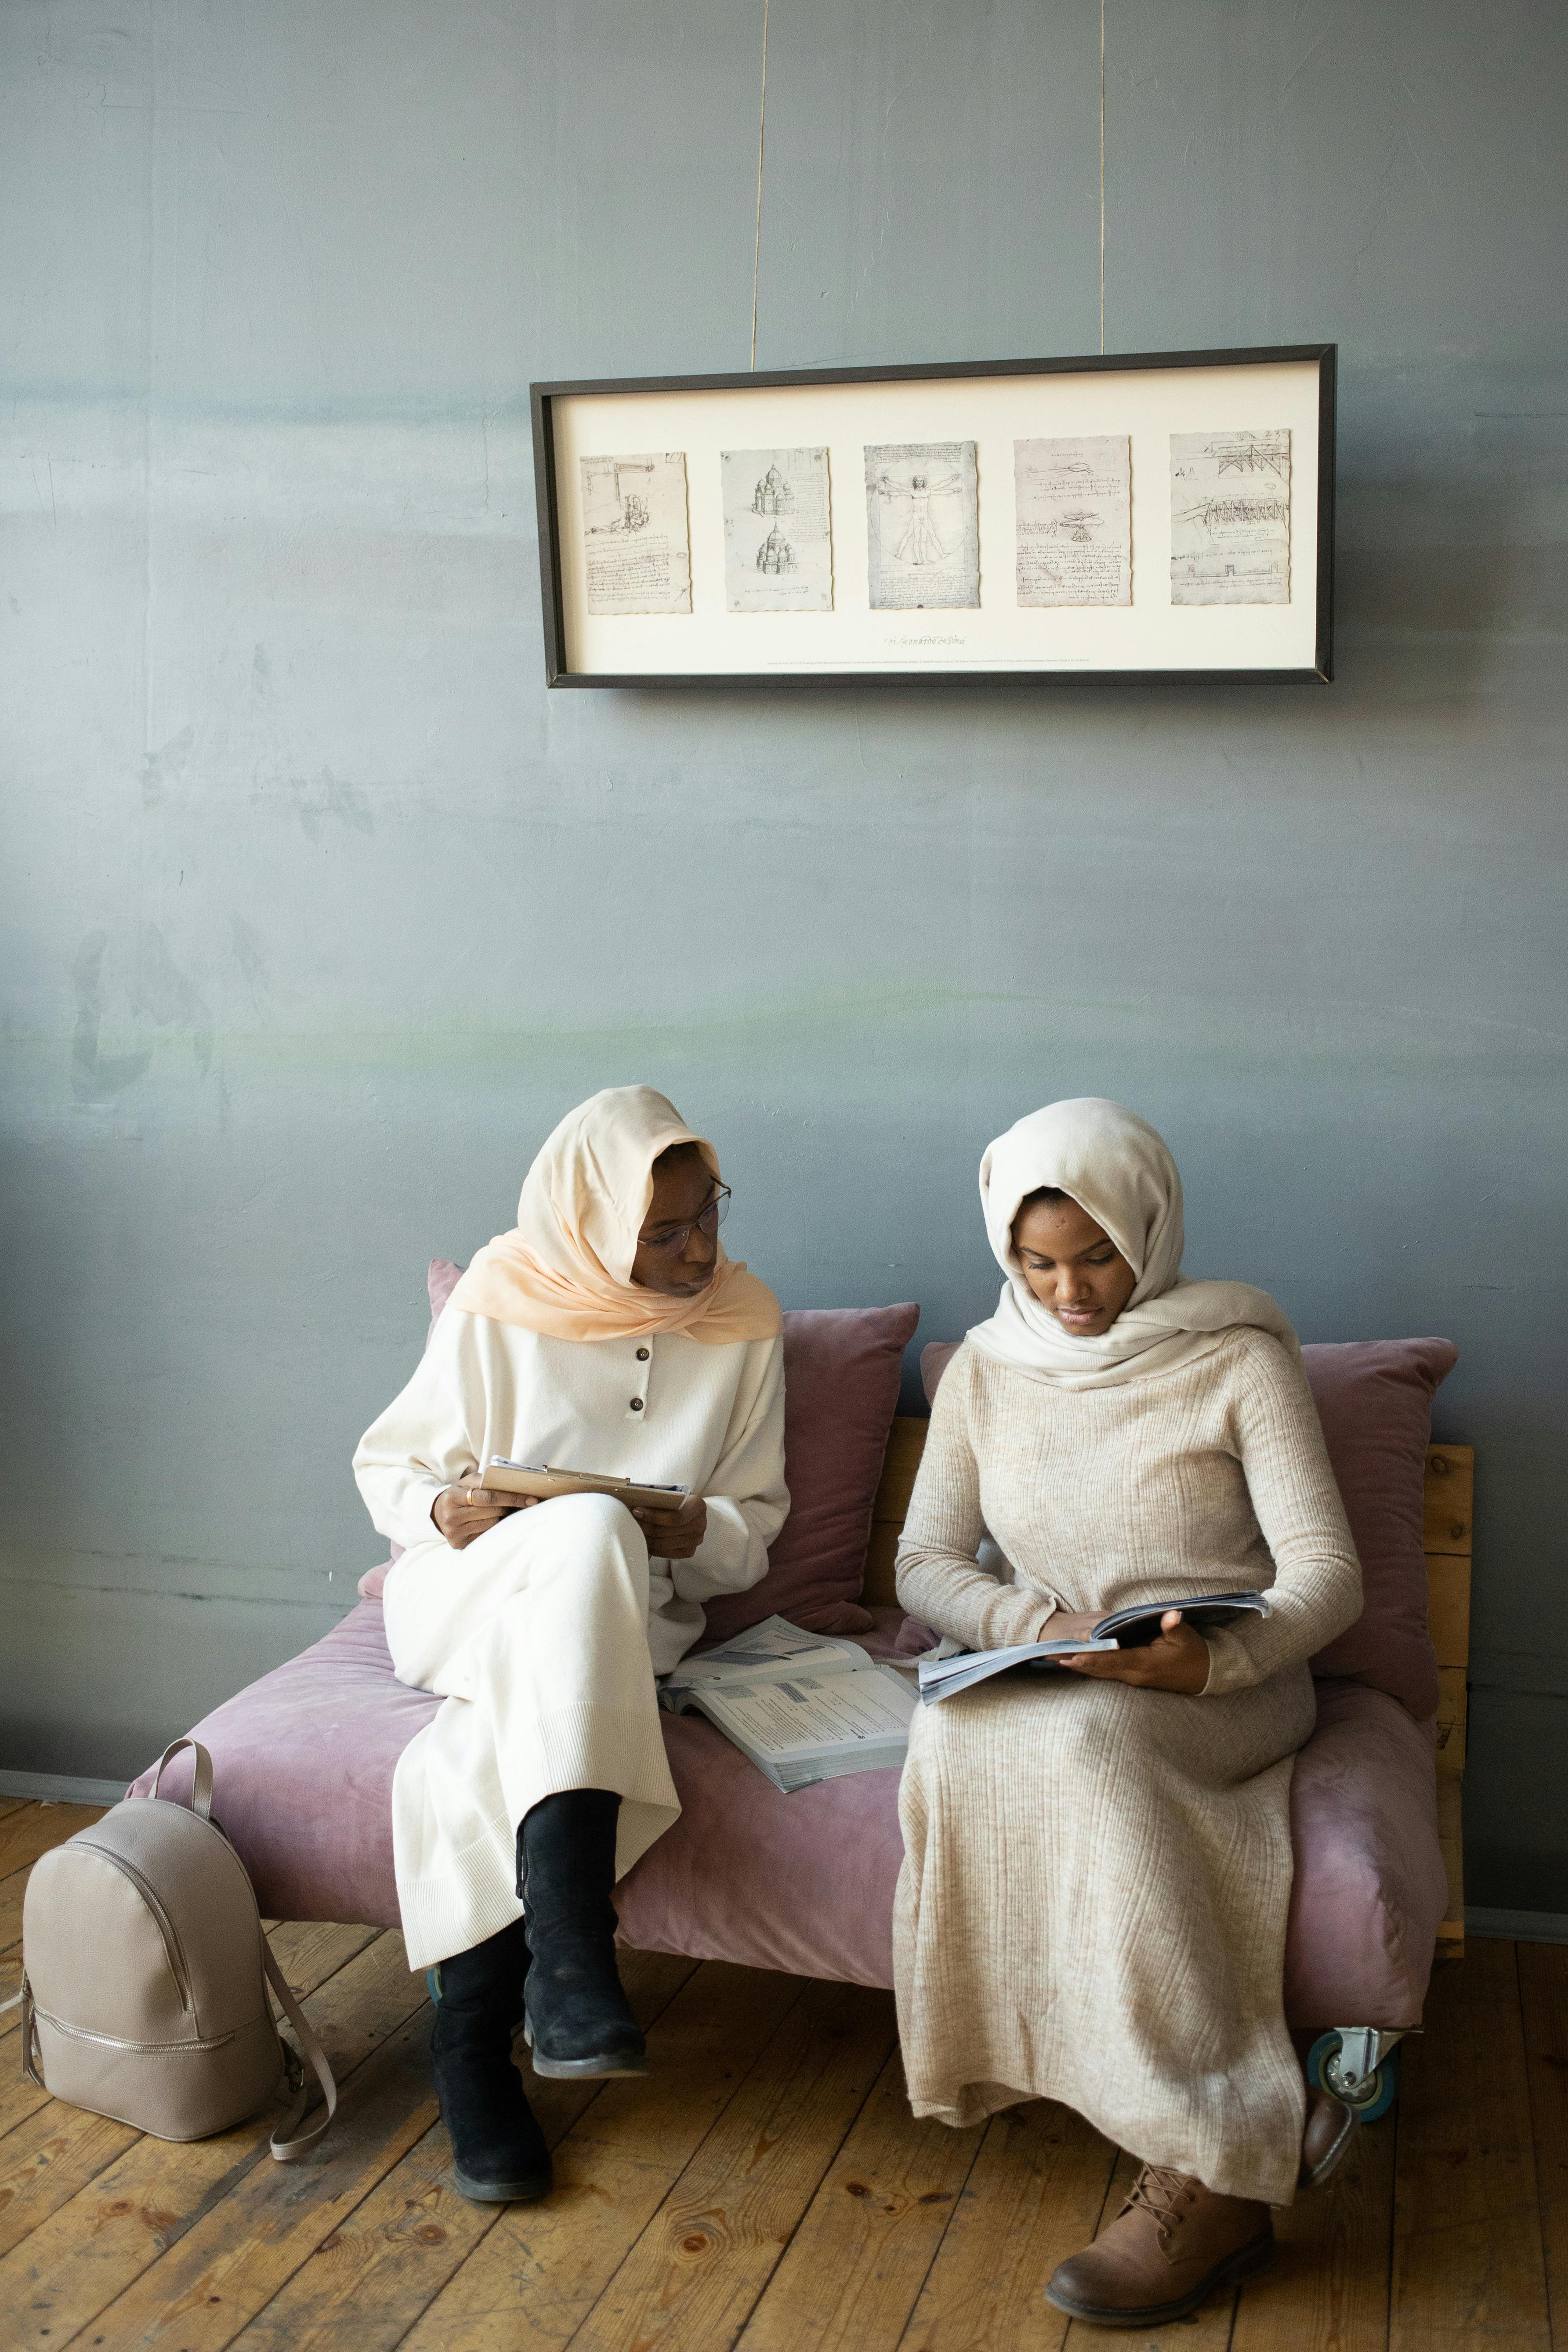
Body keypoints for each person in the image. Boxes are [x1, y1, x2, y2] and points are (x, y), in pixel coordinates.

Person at [893, 1098, 1363, 2329]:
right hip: (1061, 1663)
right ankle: (1122, 2093)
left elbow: (1327, 1577)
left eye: (1095, 1255)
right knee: (950, 1732)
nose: (1071, 1292)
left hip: (1223, 1683)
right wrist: (1026, 1632)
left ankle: (1219, 2163)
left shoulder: (1239, 1356)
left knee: (1095, 1740)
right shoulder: (987, 1371)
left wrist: (1211, 1665)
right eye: (1036, 1263)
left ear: (1148, 1226)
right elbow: (926, 1562)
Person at [353, 1086, 787, 2205]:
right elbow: (387, 1468)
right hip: (464, 1600)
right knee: (584, 1523)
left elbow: (754, 1532)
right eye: (667, 1231)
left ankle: (471, 2054)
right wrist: (440, 1511)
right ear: (597, 1225)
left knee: (518, 1696)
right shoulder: (502, 1297)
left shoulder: (747, 1321)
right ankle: (574, 1960)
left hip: (625, 1624)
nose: (702, 1248)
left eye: (710, 1214)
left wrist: (702, 1527)